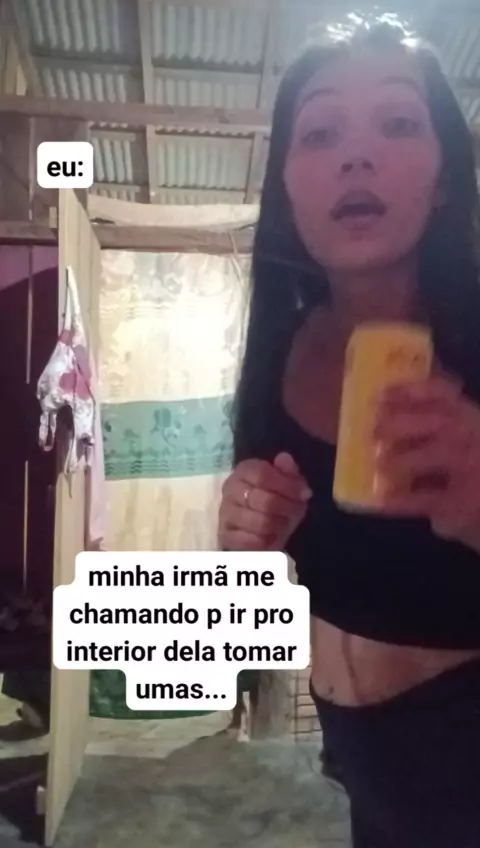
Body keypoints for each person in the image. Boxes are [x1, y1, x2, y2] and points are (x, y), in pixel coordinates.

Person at [218, 22, 480, 848]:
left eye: (397, 123)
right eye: (321, 132)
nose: (356, 156)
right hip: (359, 767)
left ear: (444, 178)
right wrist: (248, 530)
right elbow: (302, 564)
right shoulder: (280, 348)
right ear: (288, 188)